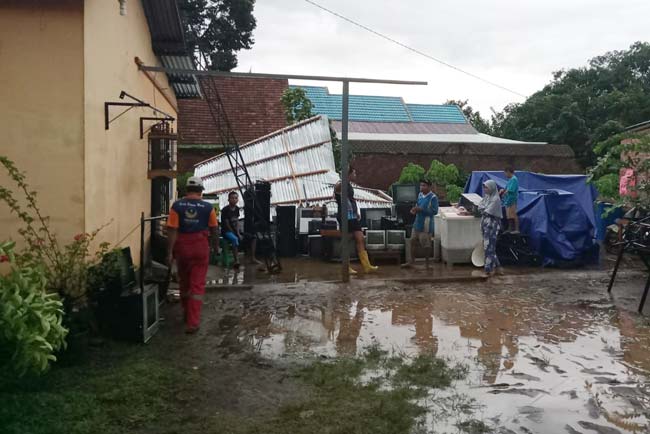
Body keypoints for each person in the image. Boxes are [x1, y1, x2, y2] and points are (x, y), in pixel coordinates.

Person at [166, 176, 219, 334]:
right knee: (197, 286)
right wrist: (215, 247)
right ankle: (193, 322)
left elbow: (172, 230)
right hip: (200, 247)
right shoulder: (208, 207)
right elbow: (214, 229)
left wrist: (169, 252)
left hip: (182, 247)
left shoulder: (177, 206)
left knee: (184, 283)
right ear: (201, 191)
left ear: (187, 190)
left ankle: (186, 313)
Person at [334, 167, 378, 274]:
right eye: (354, 173)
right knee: (347, 241)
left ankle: (366, 265)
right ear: (348, 174)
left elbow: (351, 200)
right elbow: (337, 190)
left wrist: (356, 211)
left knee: (360, 238)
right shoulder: (340, 184)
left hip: (352, 216)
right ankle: (346, 267)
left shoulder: (349, 185)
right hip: (345, 217)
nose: (355, 175)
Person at [403, 179, 439, 268]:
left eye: (424, 185)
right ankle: (411, 262)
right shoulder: (420, 195)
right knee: (412, 241)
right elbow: (417, 205)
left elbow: (435, 211)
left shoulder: (433, 198)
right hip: (417, 223)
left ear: (429, 187)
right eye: (421, 185)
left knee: (426, 245)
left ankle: (427, 264)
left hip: (426, 225)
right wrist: (414, 210)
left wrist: (422, 210)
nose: (421, 187)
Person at [479, 180, 503, 276]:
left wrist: (483, 208)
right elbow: (480, 206)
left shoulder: (496, 199)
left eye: (486, 187)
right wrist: (483, 208)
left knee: (488, 246)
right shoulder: (487, 197)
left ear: (492, 187)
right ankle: (498, 267)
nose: (485, 189)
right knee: (489, 246)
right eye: (484, 187)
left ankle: (488, 269)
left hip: (492, 225)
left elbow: (488, 211)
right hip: (485, 224)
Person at [221, 191, 242, 268]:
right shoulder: (225, 210)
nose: (234, 199)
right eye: (232, 198)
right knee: (235, 239)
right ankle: (236, 260)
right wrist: (235, 233)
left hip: (234, 230)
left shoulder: (237, 209)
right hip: (226, 231)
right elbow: (227, 224)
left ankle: (252, 257)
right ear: (228, 199)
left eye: (236, 198)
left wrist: (238, 232)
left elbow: (236, 221)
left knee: (251, 237)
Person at [500, 166, 519, 233]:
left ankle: (515, 229)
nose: (505, 175)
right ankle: (510, 228)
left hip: (512, 199)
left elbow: (511, 189)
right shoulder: (510, 180)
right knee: (509, 214)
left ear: (508, 171)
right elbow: (506, 188)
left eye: (505, 173)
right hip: (508, 200)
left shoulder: (514, 179)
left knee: (512, 214)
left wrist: (505, 192)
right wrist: (503, 191)